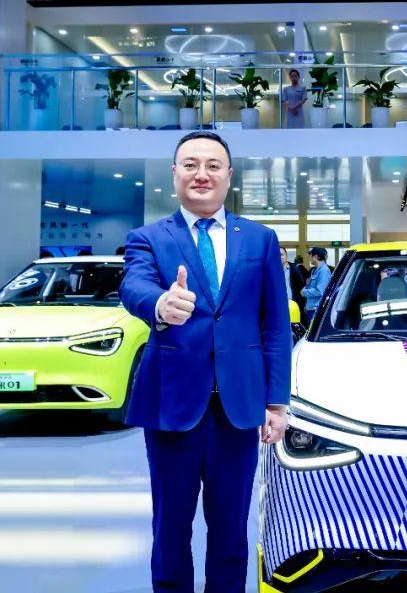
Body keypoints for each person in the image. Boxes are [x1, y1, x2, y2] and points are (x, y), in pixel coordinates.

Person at [119, 130, 290, 593]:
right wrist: (160, 304)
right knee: (170, 529)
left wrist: (277, 401)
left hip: (239, 406)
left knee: (231, 531)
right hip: (172, 404)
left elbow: (275, 325)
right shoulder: (148, 238)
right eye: (191, 164)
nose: (202, 174)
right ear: (174, 173)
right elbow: (133, 286)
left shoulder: (259, 239)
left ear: (229, 176)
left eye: (213, 165)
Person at [300, 246, 331, 325]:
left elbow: (320, 291)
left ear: (316, 257)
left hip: (317, 309)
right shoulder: (315, 270)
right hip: (311, 308)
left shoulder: (324, 271)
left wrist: (304, 292)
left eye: (310, 256)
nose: (309, 258)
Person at [281, 245, 305, 310]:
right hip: (278, 304)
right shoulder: (273, 270)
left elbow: (301, 285)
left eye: (282, 255)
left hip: (292, 304)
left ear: (286, 255)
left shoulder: (294, 268)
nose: (280, 257)